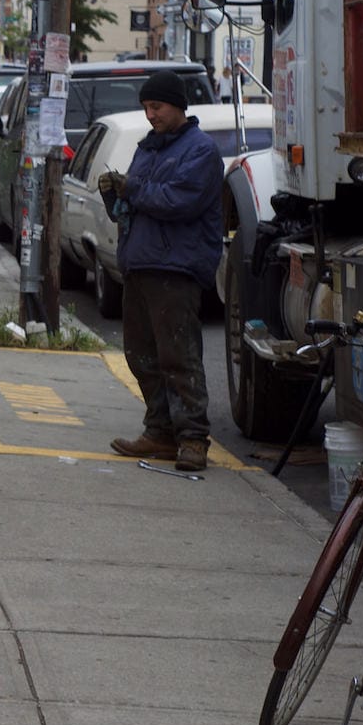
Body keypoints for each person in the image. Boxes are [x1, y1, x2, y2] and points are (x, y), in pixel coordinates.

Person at [99, 70, 224, 472]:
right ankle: (160, 431)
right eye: (147, 108)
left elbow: (179, 201)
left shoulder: (200, 151)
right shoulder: (149, 148)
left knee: (178, 356)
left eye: (156, 107)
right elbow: (141, 203)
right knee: (141, 355)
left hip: (175, 267)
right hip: (141, 263)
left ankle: (192, 439)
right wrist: (115, 196)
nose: (150, 114)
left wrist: (131, 188)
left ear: (177, 106)